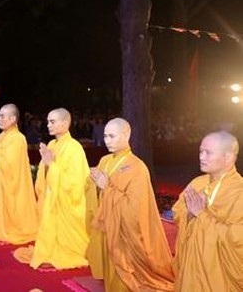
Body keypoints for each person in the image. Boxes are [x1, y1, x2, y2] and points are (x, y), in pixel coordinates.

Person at [86, 117, 174, 291]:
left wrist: (107, 188)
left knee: (122, 279)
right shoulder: (105, 161)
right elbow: (93, 190)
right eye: (105, 136)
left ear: (126, 135)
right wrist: (92, 184)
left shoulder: (137, 167)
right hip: (107, 225)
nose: (107, 141)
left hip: (124, 234)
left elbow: (135, 209)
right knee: (108, 271)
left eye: (112, 136)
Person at [14, 107, 94, 269]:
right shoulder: (52, 144)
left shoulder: (74, 148)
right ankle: (49, 251)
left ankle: (64, 252)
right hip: (51, 198)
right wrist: (46, 165)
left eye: (52, 121)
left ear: (65, 124)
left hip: (66, 203)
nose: (48, 125)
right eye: (48, 121)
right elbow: (46, 174)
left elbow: (75, 182)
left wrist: (51, 164)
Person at [172, 131, 242, 291]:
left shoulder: (239, 192)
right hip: (190, 269)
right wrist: (190, 214)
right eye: (200, 152)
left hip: (218, 277)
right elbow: (178, 212)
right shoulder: (197, 183)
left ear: (228, 157)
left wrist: (202, 215)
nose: (201, 157)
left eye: (208, 153)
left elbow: (238, 239)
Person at [0, 104, 38, 244]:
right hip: (0, 184)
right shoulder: (1, 137)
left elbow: (8, 166)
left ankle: (11, 229)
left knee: (13, 213)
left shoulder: (18, 139)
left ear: (13, 118)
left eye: (2, 116)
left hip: (13, 186)